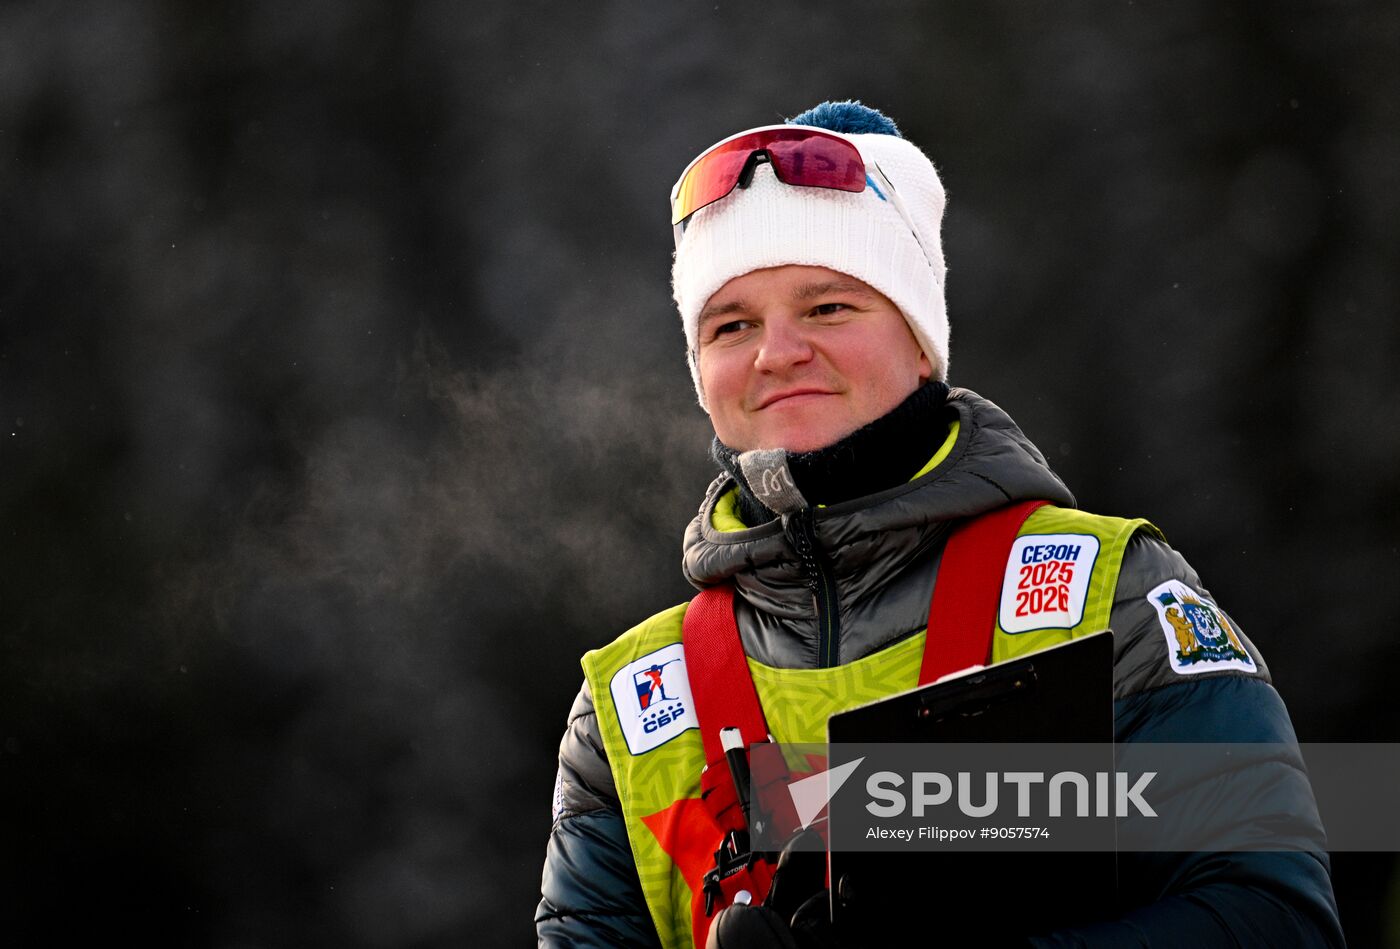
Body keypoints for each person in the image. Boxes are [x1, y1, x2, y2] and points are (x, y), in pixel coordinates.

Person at [535, 101, 1343, 948]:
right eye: (731, 325)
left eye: (827, 308)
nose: (776, 352)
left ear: (920, 341)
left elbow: (1277, 918)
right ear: (701, 372)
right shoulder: (628, 709)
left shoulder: (1113, 600)